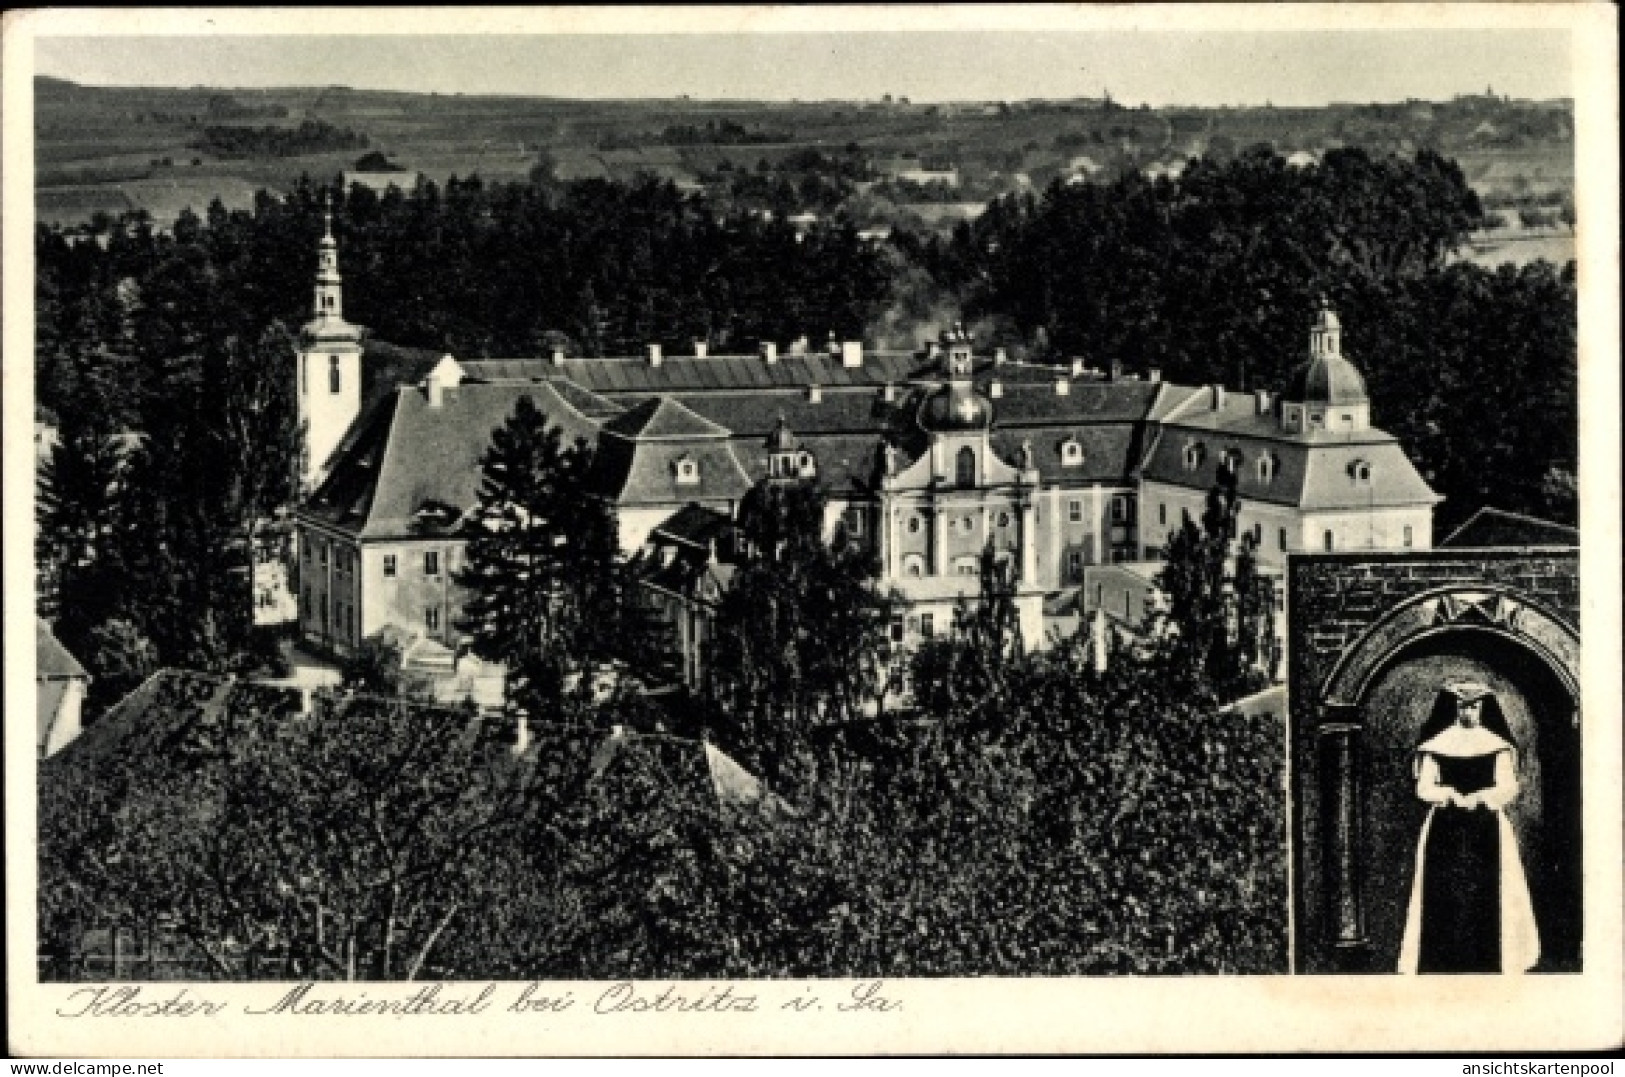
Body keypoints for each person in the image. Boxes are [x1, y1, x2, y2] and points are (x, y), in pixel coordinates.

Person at [1398, 681, 1540, 973]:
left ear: (1483, 708)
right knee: (1445, 891)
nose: (1468, 712)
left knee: (1488, 891)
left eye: (1474, 706)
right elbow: (1424, 788)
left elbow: (1508, 787)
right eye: (1463, 706)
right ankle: (1442, 961)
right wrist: (1448, 793)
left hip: (1487, 826)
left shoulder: (1497, 746)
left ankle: (1487, 961)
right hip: (1444, 827)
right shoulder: (1436, 746)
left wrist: (1482, 797)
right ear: (1453, 708)